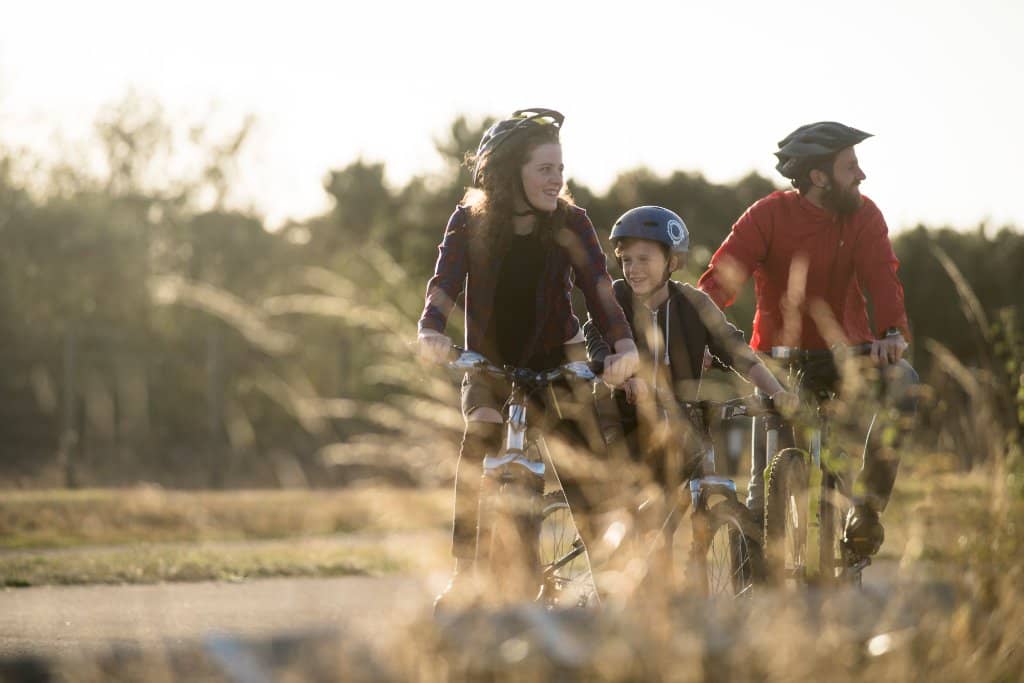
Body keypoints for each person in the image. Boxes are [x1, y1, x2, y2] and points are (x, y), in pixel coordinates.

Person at [417, 108, 639, 609]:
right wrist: (430, 330)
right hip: (488, 362)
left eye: (560, 169)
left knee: (581, 465)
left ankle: (609, 578)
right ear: (509, 171)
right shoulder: (469, 221)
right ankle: (466, 573)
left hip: (558, 362)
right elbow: (444, 284)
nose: (556, 178)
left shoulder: (572, 221)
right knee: (480, 438)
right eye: (544, 168)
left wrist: (622, 345)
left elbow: (598, 289)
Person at [696, 121, 918, 557]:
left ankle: (867, 510)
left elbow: (882, 277)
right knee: (764, 495)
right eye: (850, 165)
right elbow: (722, 277)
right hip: (776, 360)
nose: (861, 174)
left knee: (904, 382)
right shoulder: (767, 215)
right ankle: (755, 590)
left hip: (848, 354)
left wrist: (891, 331)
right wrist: (700, 334)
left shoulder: (864, 215)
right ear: (818, 177)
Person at [583, 206, 796, 494]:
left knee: (684, 488)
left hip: (681, 422)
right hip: (621, 424)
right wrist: (624, 380)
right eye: (626, 260)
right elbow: (596, 342)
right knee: (633, 501)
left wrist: (777, 393)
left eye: (644, 259)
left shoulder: (695, 304)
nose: (632, 269)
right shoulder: (615, 298)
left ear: (672, 261)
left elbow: (739, 354)